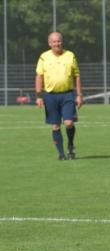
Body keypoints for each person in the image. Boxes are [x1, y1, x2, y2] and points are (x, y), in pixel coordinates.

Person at [35, 31, 83, 160]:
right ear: (50, 43)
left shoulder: (70, 55)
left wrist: (79, 95)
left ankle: (71, 145)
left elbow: (76, 76)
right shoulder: (43, 57)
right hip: (50, 96)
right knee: (55, 125)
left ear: (62, 42)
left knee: (68, 123)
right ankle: (61, 154)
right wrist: (39, 96)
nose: (57, 43)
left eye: (59, 41)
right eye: (54, 41)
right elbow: (39, 76)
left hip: (67, 94)